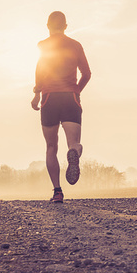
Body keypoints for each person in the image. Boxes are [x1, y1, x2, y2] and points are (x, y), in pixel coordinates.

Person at [31, 11, 91, 203]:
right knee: (73, 143)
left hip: (49, 98)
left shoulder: (43, 46)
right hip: (70, 98)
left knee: (51, 147)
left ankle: (57, 191)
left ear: (47, 26)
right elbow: (87, 73)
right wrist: (77, 91)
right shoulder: (75, 45)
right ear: (66, 26)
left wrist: (37, 94)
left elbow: (40, 71)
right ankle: (74, 151)